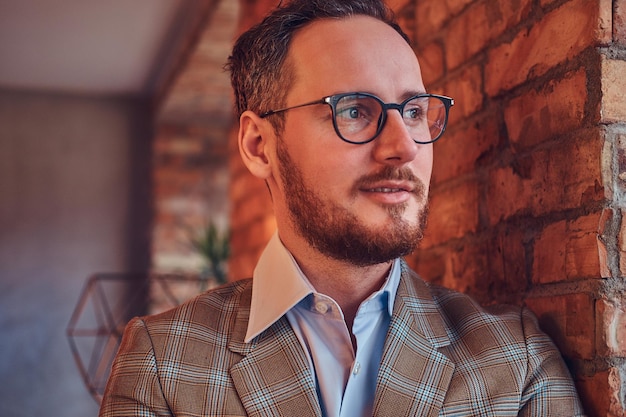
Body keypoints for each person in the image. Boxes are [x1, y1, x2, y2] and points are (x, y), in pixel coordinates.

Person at [99, 0, 585, 416]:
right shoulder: (162, 363)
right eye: (354, 110)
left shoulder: (516, 362)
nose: (404, 146)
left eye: (413, 111)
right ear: (259, 145)